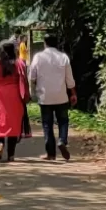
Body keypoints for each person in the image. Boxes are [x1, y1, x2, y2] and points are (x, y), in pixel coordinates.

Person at [29, 30, 77, 162]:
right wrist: (73, 94)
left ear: (44, 44)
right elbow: (70, 79)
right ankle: (62, 140)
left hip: (45, 97)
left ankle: (51, 154)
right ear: (57, 44)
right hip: (61, 96)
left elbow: (32, 77)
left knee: (47, 124)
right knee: (63, 121)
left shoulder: (38, 57)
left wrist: (33, 90)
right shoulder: (63, 57)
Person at [0, 38, 30, 161]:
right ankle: (11, 155)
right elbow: (24, 82)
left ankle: (0, 145)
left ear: (0, 50)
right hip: (15, 96)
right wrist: (27, 96)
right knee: (13, 125)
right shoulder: (20, 64)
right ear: (13, 50)